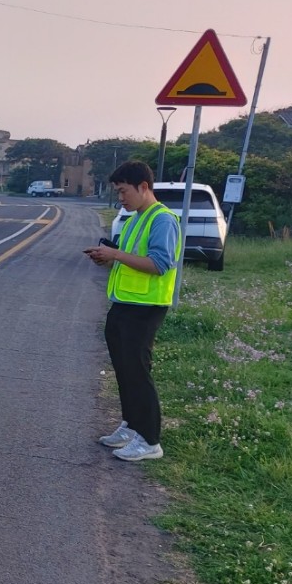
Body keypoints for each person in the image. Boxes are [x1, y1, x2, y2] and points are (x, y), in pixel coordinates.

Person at [85, 160, 180, 462]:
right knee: (124, 371)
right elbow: (130, 260)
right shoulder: (136, 218)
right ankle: (131, 426)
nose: (121, 198)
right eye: (117, 192)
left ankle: (150, 440)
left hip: (145, 308)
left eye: (124, 191)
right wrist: (108, 259)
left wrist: (115, 254)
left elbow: (159, 264)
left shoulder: (162, 220)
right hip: (124, 305)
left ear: (143, 187)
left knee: (138, 373)